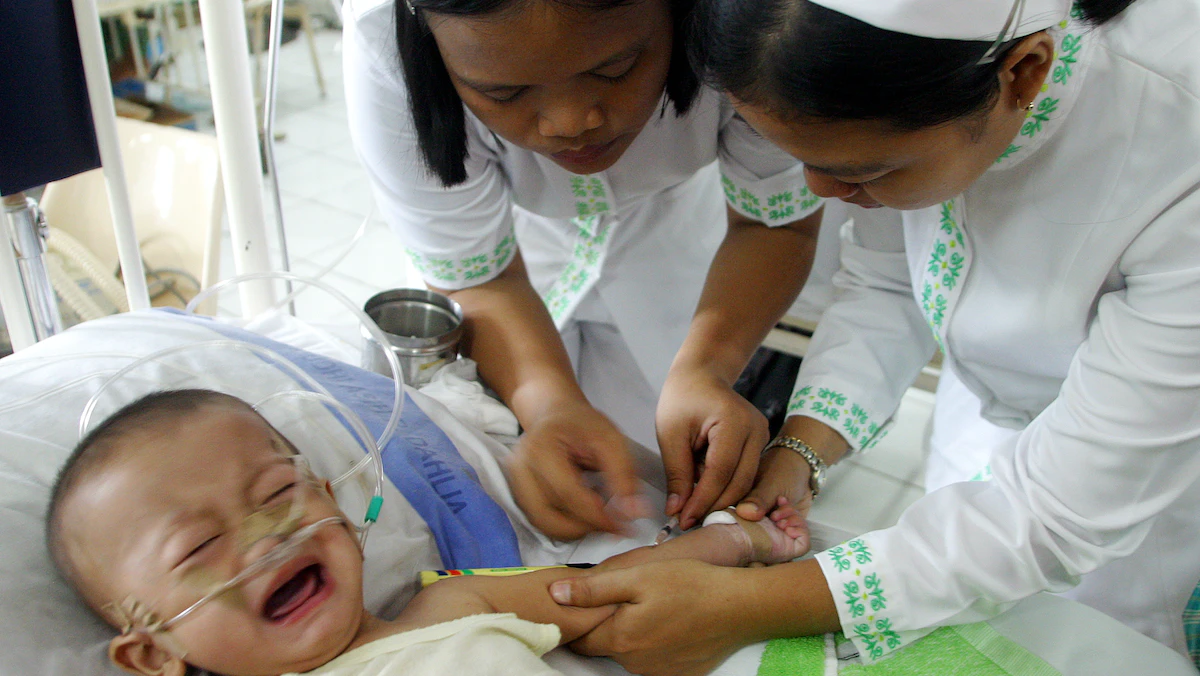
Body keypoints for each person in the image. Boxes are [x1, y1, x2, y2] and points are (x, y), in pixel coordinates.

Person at [547, 0, 1200, 672]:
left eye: (865, 172)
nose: (820, 190)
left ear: (1024, 74)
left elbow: (1055, 515)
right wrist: (798, 453)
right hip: (994, 417)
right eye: (803, 160)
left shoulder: (1181, 154)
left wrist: (742, 606)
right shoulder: (935, 85)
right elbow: (891, 282)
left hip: (1159, 484)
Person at [342, 0, 827, 542]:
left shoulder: (752, 19)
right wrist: (551, 407)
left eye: (615, 68)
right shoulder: (385, 43)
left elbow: (773, 225)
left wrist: (706, 368)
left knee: (654, 432)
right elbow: (478, 276)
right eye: (503, 92)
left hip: (681, 228)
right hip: (516, 247)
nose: (570, 123)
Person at [43, 389, 808, 675]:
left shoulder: (452, 604)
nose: (266, 541)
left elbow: (620, 586)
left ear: (341, 509)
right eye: (200, 548)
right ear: (151, 652)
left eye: (277, 494)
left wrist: (741, 540)